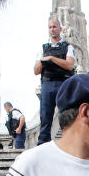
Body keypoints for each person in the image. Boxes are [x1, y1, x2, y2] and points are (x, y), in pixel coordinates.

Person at [34, 17, 76, 146]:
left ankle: (68, 144)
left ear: (60, 29)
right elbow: (36, 70)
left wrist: (51, 58)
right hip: (47, 84)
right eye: (50, 27)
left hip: (63, 83)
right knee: (45, 117)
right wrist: (43, 61)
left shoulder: (67, 47)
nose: (52, 29)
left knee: (66, 116)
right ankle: (42, 146)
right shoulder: (43, 48)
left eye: (54, 27)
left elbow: (69, 65)